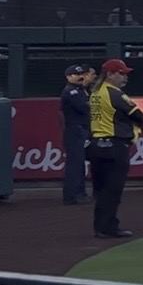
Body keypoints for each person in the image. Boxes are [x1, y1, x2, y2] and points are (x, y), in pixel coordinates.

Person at [86, 58, 143, 239]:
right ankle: (108, 227)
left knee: (101, 190)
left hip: (96, 145)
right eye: (121, 74)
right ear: (110, 74)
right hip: (114, 146)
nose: (125, 78)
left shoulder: (95, 92)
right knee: (113, 189)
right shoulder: (115, 93)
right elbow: (138, 115)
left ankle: (100, 226)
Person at [58, 63, 92, 205]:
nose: (79, 77)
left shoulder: (81, 90)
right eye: (76, 75)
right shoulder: (70, 91)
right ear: (68, 77)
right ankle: (72, 196)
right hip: (75, 130)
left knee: (80, 163)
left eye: (80, 74)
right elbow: (85, 107)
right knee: (75, 164)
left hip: (81, 129)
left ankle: (80, 193)